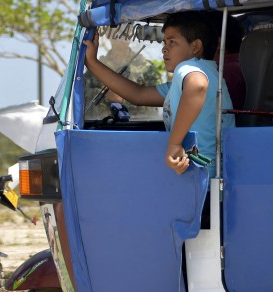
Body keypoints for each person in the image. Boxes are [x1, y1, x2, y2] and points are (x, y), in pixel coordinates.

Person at [84, 12, 235, 176]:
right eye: (164, 42)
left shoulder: (189, 69)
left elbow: (197, 86)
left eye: (172, 42)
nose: (164, 49)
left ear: (195, 47)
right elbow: (138, 94)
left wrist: (174, 143)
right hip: (212, 176)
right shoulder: (206, 72)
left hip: (202, 179)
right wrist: (92, 62)